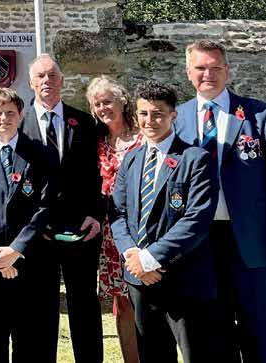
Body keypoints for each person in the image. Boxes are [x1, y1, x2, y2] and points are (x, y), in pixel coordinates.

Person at [174, 39, 266, 362]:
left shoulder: (260, 115)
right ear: (188, 72)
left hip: (252, 242)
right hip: (199, 245)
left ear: (227, 70)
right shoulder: (177, 117)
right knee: (212, 337)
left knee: (262, 335)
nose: (208, 74)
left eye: (215, 67)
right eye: (200, 68)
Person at [111, 81, 218, 362]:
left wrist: (151, 259)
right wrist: (133, 256)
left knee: (197, 354)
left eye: (158, 114)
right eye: (143, 113)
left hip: (182, 277)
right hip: (139, 279)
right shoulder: (132, 159)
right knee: (152, 353)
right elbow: (117, 213)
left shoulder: (195, 159)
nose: (150, 120)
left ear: (173, 115)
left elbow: (196, 219)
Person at [20, 54, 103, 363]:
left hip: (81, 230)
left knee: (85, 305)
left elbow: (98, 174)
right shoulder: (19, 124)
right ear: (30, 82)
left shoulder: (84, 122)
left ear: (62, 81)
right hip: (38, 233)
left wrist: (96, 214)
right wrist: (30, 224)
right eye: (40, 76)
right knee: (40, 308)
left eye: (52, 75)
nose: (47, 81)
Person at [0, 87, 55, 362]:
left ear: (21, 115)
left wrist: (16, 250)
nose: (4, 118)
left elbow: (45, 205)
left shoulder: (40, 152)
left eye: (10, 113)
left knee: (29, 339)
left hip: (29, 259)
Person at [87, 75, 142, 363]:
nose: (102, 108)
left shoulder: (143, 136)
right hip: (110, 234)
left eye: (107, 101)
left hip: (142, 229)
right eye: (97, 104)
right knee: (123, 303)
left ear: (122, 101)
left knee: (147, 300)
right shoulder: (95, 141)